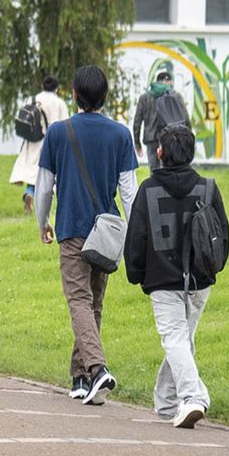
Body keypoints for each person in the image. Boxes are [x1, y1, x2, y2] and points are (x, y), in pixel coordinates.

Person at [35, 65, 137, 405]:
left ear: (74, 95)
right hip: (106, 232)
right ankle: (80, 378)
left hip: (72, 228)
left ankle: (96, 369)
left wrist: (42, 221)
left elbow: (45, 187)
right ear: (105, 96)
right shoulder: (121, 135)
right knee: (93, 303)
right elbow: (129, 194)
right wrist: (134, 233)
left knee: (79, 301)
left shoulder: (59, 133)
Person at [123, 124, 229, 429]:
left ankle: (194, 397)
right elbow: (223, 236)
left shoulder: (148, 190)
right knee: (182, 340)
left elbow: (138, 237)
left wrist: (136, 274)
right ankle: (167, 403)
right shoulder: (208, 188)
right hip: (200, 280)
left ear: (160, 153)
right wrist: (214, 269)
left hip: (162, 279)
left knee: (175, 340)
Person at [9, 76, 70, 214]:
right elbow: (65, 123)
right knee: (44, 171)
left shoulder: (32, 99)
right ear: (56, 88)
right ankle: (35, 197)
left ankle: (29, 192)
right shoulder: (59, 102)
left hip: (32, 140)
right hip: (49, 139)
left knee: (32, 169)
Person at [132, 71, 186, 171]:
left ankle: (154, 186)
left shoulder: (144, 97)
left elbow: (137, 122)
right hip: (169, 137)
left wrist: (137, 143)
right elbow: (184, 117)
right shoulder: (175, 96)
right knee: (168, 169)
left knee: (154, 170)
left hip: (150, 138)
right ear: (168, 81)